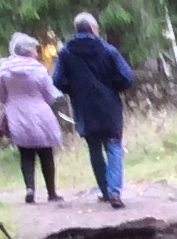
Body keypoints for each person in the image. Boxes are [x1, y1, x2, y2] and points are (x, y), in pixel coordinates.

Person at [52, 11, 134, 208]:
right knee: (113, 146)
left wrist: (74, 90)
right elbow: (127, 77)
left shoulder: (66, 52)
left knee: (94, 148)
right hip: (108, 105)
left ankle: (105, 191)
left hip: (84, 106)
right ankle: (115, 192)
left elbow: (57, 80)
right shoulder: (107, 50)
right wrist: (113, 87)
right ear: (92, 28)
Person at [0, 34, 62, 202]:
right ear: (29, 51)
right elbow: (49, 93)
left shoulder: (5, 69)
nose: (36, 52)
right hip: (40, 113)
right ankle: (51, 193)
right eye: (34, 49)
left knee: (26, 154)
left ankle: (30, 189)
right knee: (46, 153)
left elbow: (1, 96)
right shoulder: (38, 69)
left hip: (17, 114)